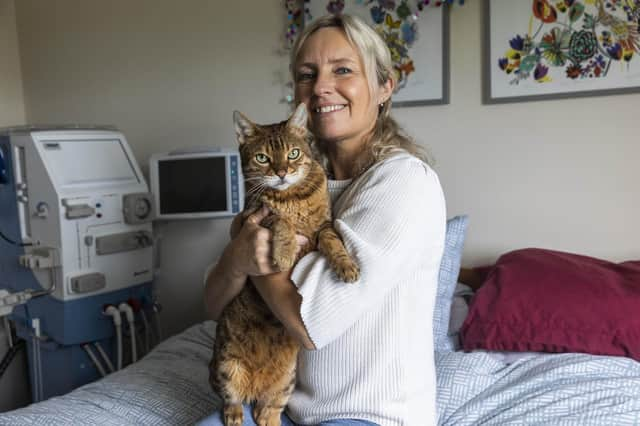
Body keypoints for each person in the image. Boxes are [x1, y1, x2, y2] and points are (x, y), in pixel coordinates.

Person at [198, 13, 445, 426]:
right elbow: (213, 304)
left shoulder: (403, 182)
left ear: (385, 86)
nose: (321, 88)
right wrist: (235, 259)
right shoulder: (292, 179)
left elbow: (310, 325)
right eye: (306, 74)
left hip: (370, 416)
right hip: (288, 406)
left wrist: (248, 256)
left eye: (343, 70)